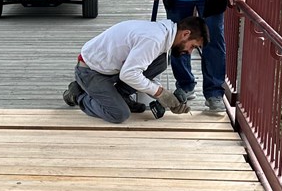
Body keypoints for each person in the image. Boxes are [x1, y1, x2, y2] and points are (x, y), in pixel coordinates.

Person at [63, 17, 209, 124]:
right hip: (90, 70)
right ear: (185, 34)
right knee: (119, 114)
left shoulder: (163, 34)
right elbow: (129, 74)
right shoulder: (154, 39)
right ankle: (78, 94)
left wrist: (166, 99)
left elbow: (142, 71)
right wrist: (160, 93)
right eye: (193, 46)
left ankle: (121, 95)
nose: (190, 52)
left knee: (160, 63)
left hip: (113, 69)